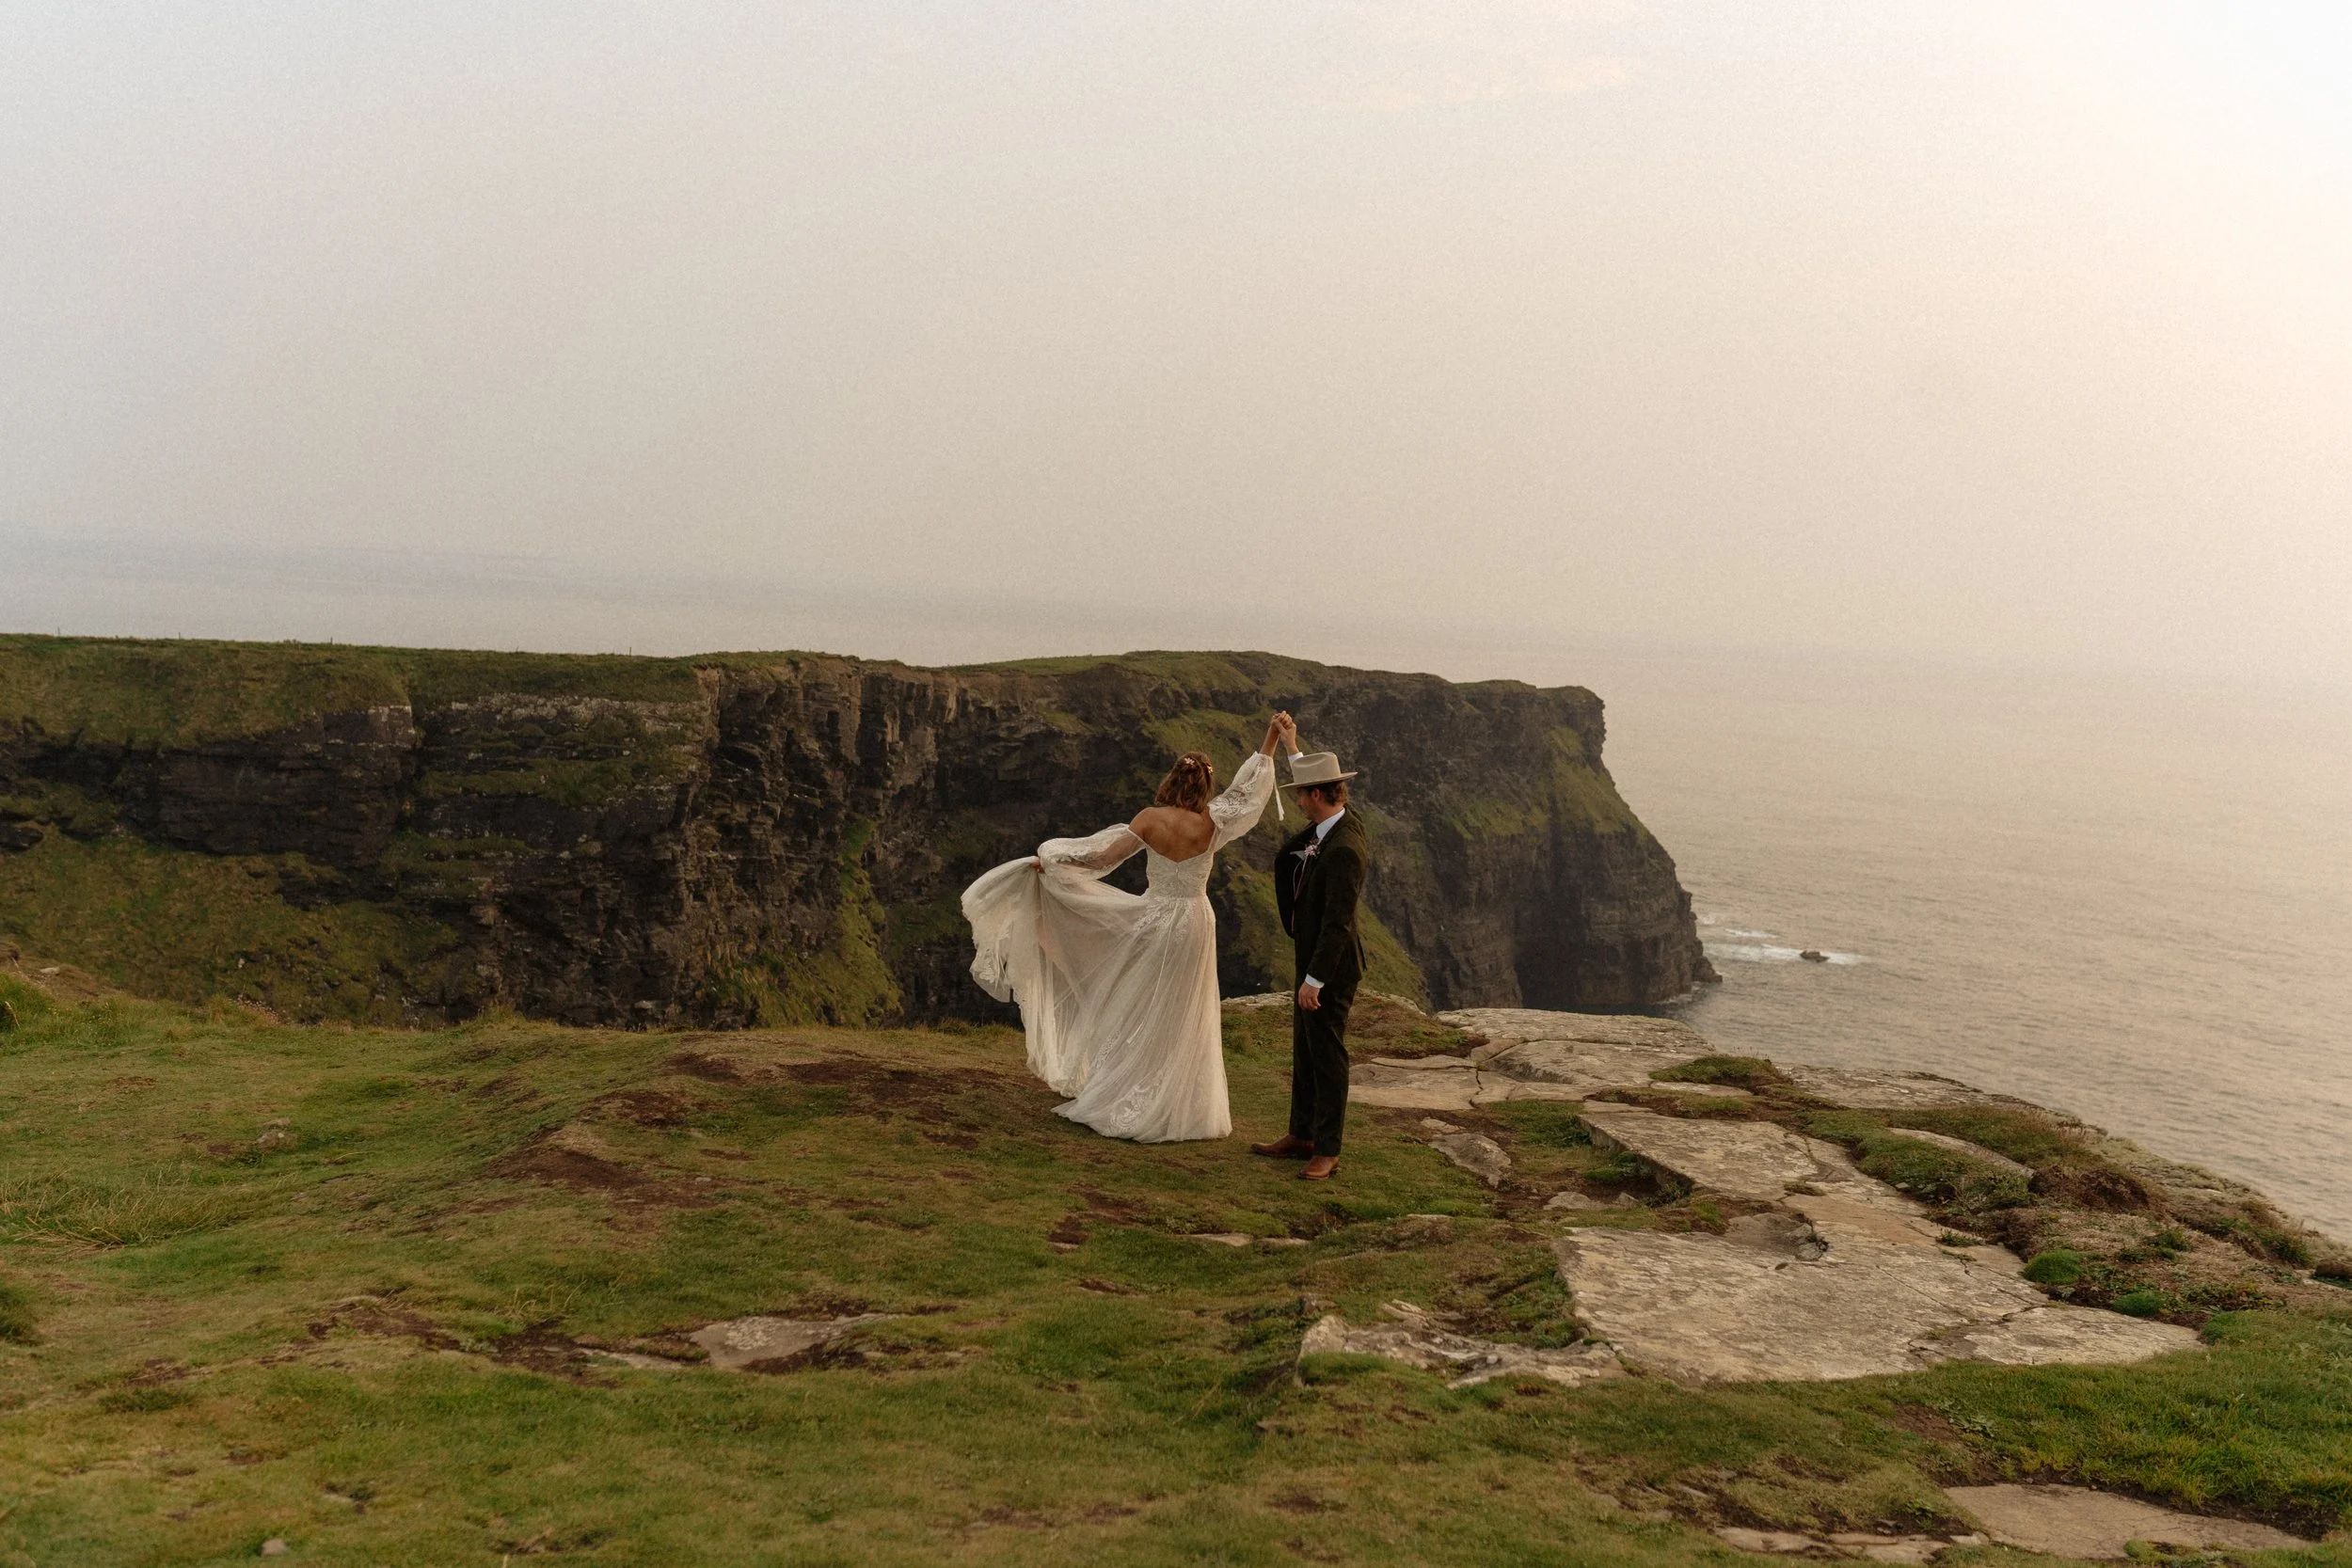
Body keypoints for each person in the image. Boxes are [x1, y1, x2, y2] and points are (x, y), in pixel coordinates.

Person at [961, 712, 1295, 1142]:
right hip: (1195, 921)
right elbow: (1247, 794)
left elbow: (1100, 859)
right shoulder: (1213, 824)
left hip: (1155, 920)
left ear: (1172, 781)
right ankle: (1180, 1105)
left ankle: (1129, 1089)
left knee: (1141, 1004)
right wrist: (1269, 742)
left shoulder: (1148, 820)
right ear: (1205, 788)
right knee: (1184, 1013)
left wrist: (1053, 864)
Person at [1250, 749, 1366, 1180]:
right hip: (1312, 955)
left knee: (1327, 1054)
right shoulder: (1333, 822)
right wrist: (1295, 748)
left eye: (1301, 794)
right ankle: (1301, 1134)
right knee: (1305, 1048)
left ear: (1317, 794)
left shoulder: (1345, 849)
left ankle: (1328, 1149)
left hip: (1330, 966)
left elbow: (1338, 923)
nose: (1297, 803)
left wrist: (1315, 981)